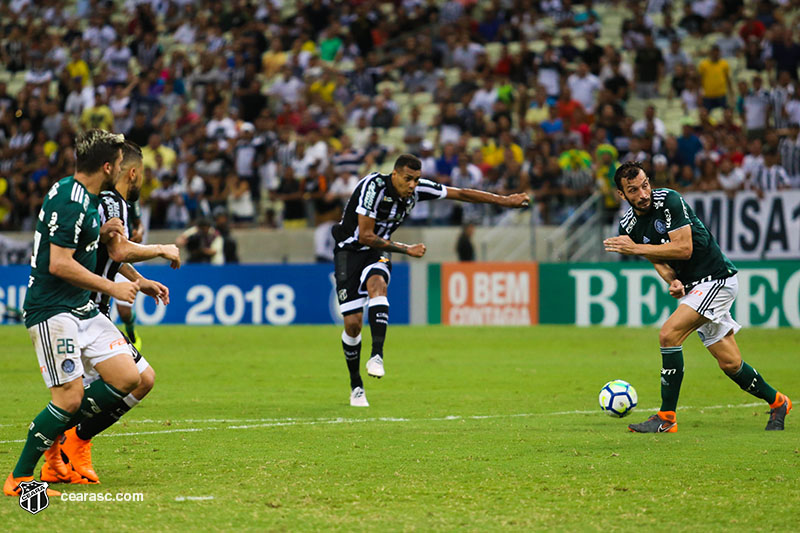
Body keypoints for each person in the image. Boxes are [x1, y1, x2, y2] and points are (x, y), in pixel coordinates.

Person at [603, 161, 791, 433]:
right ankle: (778, 402)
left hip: (716, 278)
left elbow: (685, 248)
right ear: (621, 195)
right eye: (633, 190)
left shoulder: (669, 200)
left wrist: (634, 249)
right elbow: (656, 256)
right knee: (730, 363)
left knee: (668, 335)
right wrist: (673, 280)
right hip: (694, 287)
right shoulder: (629, 223)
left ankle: (666, 418)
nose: (643, 194)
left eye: (645, 185)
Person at [4, 130, 141, 497]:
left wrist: (104, 230)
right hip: (53, 310)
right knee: (69, 398)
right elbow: (59, 264)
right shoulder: (71, 201)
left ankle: (55, 441)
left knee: (131, 377)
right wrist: (111, 287)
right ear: (108, 166)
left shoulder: (81, 196)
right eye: (118, 160)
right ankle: (19, 478)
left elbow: (80, 246)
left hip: (80, 308)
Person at [332, 154, 529, 407]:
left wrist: (505, 201)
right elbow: (366, 235)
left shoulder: (417, 189)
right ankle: (356, 385)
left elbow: (462, 194)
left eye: (416, 179)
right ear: (395, 175)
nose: (413, 185)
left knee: (378, 285)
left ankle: (377, 356)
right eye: (408, 179)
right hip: (349, 250)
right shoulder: (374, 187)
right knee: (353, 325)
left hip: (377, 252)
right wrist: (406, 249)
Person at [40, 141, 181, 486]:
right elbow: (118, 247)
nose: (139, 179)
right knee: (127, 382)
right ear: (131, 173)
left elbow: (108, 254)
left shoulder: (106, 201)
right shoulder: (112, 202)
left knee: (137, 380)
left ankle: (71, 443)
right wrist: (162, 248)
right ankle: (63, 444)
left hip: (93, 308)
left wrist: (141, 280)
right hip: (83, 309)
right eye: (140, 174)